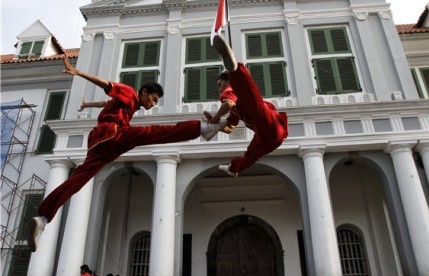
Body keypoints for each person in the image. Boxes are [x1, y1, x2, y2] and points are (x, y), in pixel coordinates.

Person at [28, 55, 226, 252]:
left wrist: (87, 105)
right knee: (154, 133)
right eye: (153, 99)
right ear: (145, 92)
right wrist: (78, 73)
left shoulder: (128, 104)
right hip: (112, 134)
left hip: (99, 145)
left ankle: (43, 218)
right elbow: (107, 85)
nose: (153, 104)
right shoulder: (129, 92)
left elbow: (106, 103)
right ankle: (202, 128)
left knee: (77, 181)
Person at [204, 35, 288, 177]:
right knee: (251, 154)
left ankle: (234, 69)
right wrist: (215, 126)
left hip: (268, 124)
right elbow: (230, 127)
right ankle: (234, 168)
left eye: (220, 84)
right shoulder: (235, 109)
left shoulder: (229, 91)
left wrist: (216, 117)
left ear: (227, 82)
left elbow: (228, 102)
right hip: (269, 137)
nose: (219, 88)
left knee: (253, 100)